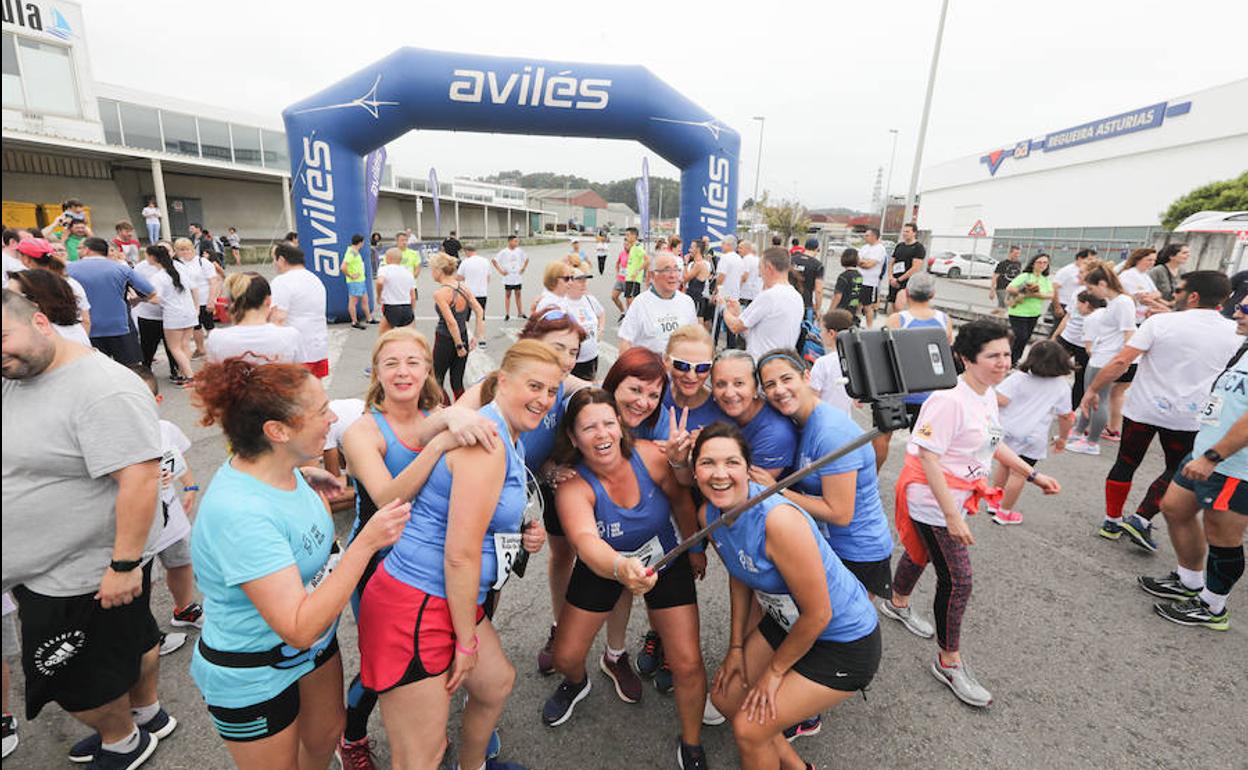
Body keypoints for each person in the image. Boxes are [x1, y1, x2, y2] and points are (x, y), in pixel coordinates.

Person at [187, 357, 409, 770]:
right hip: (253, 668)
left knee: (326, 734)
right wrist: (366, 544)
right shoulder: (240, 514)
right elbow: (299, 626)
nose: (332, 419)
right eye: (321, 410)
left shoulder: (280, 467)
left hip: (313, 649)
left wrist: (304, 476)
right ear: (277, 431)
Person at [358, 341, 559, 770]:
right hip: (416, 601)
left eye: (552, 391)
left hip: (443, 596)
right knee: (420, 756)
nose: (544, 399)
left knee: (495, 683)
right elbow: (460, 555)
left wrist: (521, 529)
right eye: (534, 386)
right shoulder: (485, 442)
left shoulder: (507, 431)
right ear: (501, 381)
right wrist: (465, 641)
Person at [3, 289, 176, 770]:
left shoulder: (102, 387)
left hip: (81, 572)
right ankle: (147, 715)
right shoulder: (19, 374)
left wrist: (123, 565)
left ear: (40, 322)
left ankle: (122, 740)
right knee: (133, 640)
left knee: (75, 679)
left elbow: (140, 478)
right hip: (55, 569)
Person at [339, 329, 499, 768]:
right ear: (377, 372)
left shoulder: (441, 412)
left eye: (413, 362)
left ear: (429, 369)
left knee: (443, 648)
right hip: (377, 561)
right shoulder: (363, 428)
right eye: (391, 363)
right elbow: (390, 495)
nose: (403, 371)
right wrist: (440, 443)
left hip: (431, 559)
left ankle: (434, 723)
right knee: (385, 666)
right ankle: (351, 735)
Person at [881, 320, 1060, 707]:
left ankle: (896, 602)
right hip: (933, 499)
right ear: (966, 358)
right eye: (992, 356)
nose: (1003, 363)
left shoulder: (987, 395)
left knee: (923, 553)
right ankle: (949, 662)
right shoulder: (949, 400)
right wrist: (952, 516)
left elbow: (993, 445)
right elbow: (927, 457)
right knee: (958, 580)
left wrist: (1032, 474)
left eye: (1007, 355)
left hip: (956, 495)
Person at [695, 423, 881, 770]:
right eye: (707, 463)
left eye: (731, 463)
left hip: (843, 641)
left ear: (748, 468)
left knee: (750, 728)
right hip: (788, 621)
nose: (719, 474)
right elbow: (740, 577)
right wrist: (736, 647)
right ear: (694, 471)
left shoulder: (778, 520)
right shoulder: (708, 515)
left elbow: (819, 614)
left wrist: (773, 673)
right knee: (725, 697)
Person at [543, 390, 709, 769]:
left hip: (664, 561)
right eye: (588, 427)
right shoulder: (572, 485)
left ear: (619, 425)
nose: (601, 434)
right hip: (606, 565)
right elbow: (585, 540)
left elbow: (682, 502)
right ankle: (577, 682)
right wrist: (620, 568)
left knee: (687, 662)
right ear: (572, 437)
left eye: (607, 422)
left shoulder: (650, 456)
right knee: (565, 657)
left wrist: (695, 550)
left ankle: (692, 744)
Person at [1077, 271, 1239, 550]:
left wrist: (1092, 390)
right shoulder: (1235, 333)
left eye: (1178, 291)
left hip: (1143, 409)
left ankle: (1111, 520)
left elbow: (1120, 362)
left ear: (1194, 296)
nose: (1173, 295)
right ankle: (1141, 518)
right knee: (1176, 469)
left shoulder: (1160, 323)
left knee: (1126, 462)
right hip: (1192, 416)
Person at [1140, 303, 1248, 630]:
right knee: (1174, 508)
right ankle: (1189, 581)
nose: (1238, 314)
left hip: (1233, 466)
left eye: (1245, 309)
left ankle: (1213, 606)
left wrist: (1213, 457)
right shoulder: (1244, 349)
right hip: (1205, 451)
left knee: (1222, 534)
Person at [756, 350, 895, 600]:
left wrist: (775, 490)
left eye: (786, 379)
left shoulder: (830, 432)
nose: (779, 389)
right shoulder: (798, 421)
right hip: (828, 544)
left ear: (806, 377)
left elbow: (840, 513)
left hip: (857, 552)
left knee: (839, 631)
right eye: (770, 384)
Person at [132, 367, 206, 638]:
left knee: (180, 563)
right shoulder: (116, 440)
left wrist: (190, 485)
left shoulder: (164, 429)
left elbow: (176, 459)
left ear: (157, 401)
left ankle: (184, 608)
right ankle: (145, 633)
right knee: (139, 580)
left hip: (171, 517)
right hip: (137, 525)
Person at [988, 341, 1076, 525]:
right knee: (1019, 473)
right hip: (1031, 436)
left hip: (1007, 429)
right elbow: (1066, 416)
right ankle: (1004, 512)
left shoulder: (1019, 378)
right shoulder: (1061, 386)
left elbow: (1001, 399)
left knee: (1005, 464)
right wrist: (1063, 438)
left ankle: (994, 501)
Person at [871, 273, 953, 470]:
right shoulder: (944, 320)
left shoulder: (897, 319)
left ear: (906, 292)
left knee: (882, 436)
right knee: (926, 445)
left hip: (897, 389)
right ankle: (922, 481)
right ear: (932, 294)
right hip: (931, 394)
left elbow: (882, 352)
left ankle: (872, 477)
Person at [1068, 263, 1137, 455]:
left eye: (1091, 288)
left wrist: (1123, 362)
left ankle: (1091, 442)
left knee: (1099, 399)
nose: (1090, 293)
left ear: (1102, 283)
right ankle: (1078, 432)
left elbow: (1128, 334)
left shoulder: (1123, 302)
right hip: (1100, 355)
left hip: (1108, 358)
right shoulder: (1114, 302)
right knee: (1089, 396)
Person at [709, 349, 799, 478]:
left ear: (756, 387)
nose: (729, 393)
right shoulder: (716, 407)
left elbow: (742, 489)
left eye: (739, 383)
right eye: (720, 384)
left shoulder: (776, 433)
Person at [68, 236, 155, 365]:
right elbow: (150, 291)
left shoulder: (68, 269)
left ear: (87, 250)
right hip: (120, 326)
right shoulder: (121, 269)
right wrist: (136, 300)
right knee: (130, 368)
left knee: (96, 370)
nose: (78, 250)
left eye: (80, 248)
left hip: (87, 328)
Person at [723, 247, 804, 362]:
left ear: (769, 268)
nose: (759, 274)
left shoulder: (770, 296)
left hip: (762, 363)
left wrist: (724, 308)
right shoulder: (796, 296)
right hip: (782, 363)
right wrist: (738, 313)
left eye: (760, 268)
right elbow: (760, 331)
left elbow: (735, 326)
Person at [207, 272, 303, 364]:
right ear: (268, 301)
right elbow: (301, 375)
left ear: (232, 302)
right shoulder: (290, 336)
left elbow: (213, 376)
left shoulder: (216, 339)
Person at [140, 244, 199, 385]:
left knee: (175, 347)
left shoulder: (158, 277)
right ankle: (184, 373)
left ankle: (190, 377)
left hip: (173, 315)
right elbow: (194, 288)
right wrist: (196, 307)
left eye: (147, 255)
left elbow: (156, 299)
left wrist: (140, 298)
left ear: (153, 258)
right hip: (189, 312)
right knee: (185, 345)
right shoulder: (179, 270)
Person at [269, 242, 330, 379]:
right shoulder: (315, 279)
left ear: (282, 260)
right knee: (314, 392)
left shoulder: (282, 281)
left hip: (295, 352)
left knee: (293, 396)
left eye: (274, 259)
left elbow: (278, 318)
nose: (274, 263)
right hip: (318, 347)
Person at [619, 252, 698, 355]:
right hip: (650, 368)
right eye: (667, 270)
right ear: (652, 274)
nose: (673, 275)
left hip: (680, 368)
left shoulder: (687, 302)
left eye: (676, 269)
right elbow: (625, 343)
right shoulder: (640, 303)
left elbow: (694, 337)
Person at [432, 253, 485, 401]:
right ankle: (462, 409)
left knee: (436, 379)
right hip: (463, 336)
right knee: (457, 381)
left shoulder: (440, 293)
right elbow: (479, 311)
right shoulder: (463, 287)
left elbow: (451, 322)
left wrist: (458, 345)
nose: (431, 273)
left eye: (432, 269)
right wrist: (476, 336)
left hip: (445, 339)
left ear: (438, 270)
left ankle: (445, 410)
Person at [14, 236, 91, 334]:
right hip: (76, 338)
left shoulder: (23, 286)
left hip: (46, 341)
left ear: (26, 259)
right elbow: (86, 320)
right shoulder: (71, 282)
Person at [6, 268, 90, 346]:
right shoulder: (71, 329)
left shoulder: (43, 338)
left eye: (9, 296)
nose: (4, 301)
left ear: (34, 302)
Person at [174, 237, 220, 359]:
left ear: (192, 249)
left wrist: (212, 300)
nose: (184, 252)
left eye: (187, 249)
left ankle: (217, 349)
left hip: (204, 299)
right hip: (188, 301)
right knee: (196, 326)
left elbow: (214, 282)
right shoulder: (177, 263)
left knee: (209, 325)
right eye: (181, 250)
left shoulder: (202, 262)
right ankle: (200, 349)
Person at [1004, 252, 1053, 363]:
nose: (1042, 265)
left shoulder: (1045, 279)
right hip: (1018, 311)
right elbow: (1009, 288)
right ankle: (1010, 358)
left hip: (1034, 313)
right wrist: (1025, 291)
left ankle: (1015, 359)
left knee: (1025, 338)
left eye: (1045, 263)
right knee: (1021, 336)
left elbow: (1050, 295)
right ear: (1033, 263)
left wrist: (1036, 294)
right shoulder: (1025, 276)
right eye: (1039, 262)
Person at [809, 309, 855, 415]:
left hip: (824, 419)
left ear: (831, 333)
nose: (820, 334)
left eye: (821, 330)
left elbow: (812, 399)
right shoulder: (856, 360)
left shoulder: (823, 363)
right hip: (845, 420)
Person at [564, 269, 605, 380]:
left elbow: (601, 313)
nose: (584, 284)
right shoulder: (562, 303)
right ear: (569, 282)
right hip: (573, 362)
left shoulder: (589, 300)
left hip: (592, 357)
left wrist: (601, 329)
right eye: (580, 281)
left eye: (585, 281)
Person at [374, 247, 417, 333]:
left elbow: (380, 282)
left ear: (387, 258)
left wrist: (379, 296)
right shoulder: (408, 272)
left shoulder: (384, 269)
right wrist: (412, 310)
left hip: (391, 306)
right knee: (409, 337)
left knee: (384, 337)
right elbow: (412, 295)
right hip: (406, 306)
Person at [884, 222, 925, 313]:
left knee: (900, 306)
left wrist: (899, 280)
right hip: (894, 280)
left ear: (914, 233)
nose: (904, 233)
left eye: (907, 231)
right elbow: (891, 262)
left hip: (906, 282)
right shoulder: (899, 246)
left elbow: (915, 268)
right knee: (892, 304)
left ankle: (901, 326)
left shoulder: (918, 248)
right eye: (904, 231)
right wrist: (891, 277)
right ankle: (892, 325)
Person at [1116, 247, 1165, 323]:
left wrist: (1151, 296)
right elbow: (1143, 299)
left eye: (1154, 260)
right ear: (1138, 259)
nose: (1152, 263)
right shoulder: (1129, 275)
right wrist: (1164, 308)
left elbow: (1158, 294)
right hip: (1134, 318)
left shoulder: (1145, 275)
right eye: (1149, 260)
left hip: (1144, 317)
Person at [713, 236, 745, 348]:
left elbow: (721, 276)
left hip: (724, 294)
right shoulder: (739, 259)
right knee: (731, 323)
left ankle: (713, 344)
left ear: (728, 245)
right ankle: (731, 346)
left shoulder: (725, 258)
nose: (721, 246)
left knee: (717, 321)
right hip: (734, 295)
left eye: (723, 244)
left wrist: (716, 292)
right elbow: (742, 278)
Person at [1050, 247, 1094, 321]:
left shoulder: (1087, 271)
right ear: (1080, 258)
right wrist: (1057, 307)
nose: (1091, 262)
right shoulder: (1067, 270)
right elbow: (1054, 287)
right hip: (1063, 304)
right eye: (1089, 259)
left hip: (1075, 305)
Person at [343, 234, 375, 329]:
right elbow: (343, 267)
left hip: (361, 280)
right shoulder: (351, 253)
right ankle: (354, 321)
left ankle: (369, 318)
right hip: (355, 282)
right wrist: (351, 276)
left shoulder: (355, 252)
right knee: (353, 301)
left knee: (365, 299)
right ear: (360, 242)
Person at [856, 228, 886, 327]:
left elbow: (870, 265)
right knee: (857, 304)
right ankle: (856, 324)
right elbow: (857, 261)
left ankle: (869, 328)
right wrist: (864, 262)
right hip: (860, 280)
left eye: (867, 235)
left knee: (867, 307)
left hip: (870, 283)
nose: (865, 237)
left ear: (874, 236)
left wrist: (864, 262)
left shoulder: (880, 249)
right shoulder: (864, 247)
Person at [494, 235, 528, 321]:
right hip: (508, 277)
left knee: (518, 294)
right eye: (515, 241)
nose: (517, 243)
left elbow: (526, 259)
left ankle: (520, 312)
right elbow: (494, 261)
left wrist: (523, 268)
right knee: (508, 294)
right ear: (510, 241)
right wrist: (501, 271)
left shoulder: (519, 251)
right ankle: (507, 313)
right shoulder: (504, 252)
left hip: (517, 276)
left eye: (517, 241)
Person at [791, 237, 825, 321]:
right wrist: (818, 309)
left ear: (805, 247)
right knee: (805, 330)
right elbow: (818, 290)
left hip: (789, 301)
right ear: (817, 249)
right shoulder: (817, 265)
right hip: (806, 304)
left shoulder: (792, 260)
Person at [458, 244, 492, 320]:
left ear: (467, 251)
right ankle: (480, 331)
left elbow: (459, 277)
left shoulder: (465, 262)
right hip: (482, 292)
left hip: (468, 293)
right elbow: (488, 277)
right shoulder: (485, 261)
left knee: (465, 317)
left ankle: (465, 331)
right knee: (480, 316)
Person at [684, 240, 713, 331]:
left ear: (698, 249)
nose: (689, 250)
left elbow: (685, 278)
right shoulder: (695, 263)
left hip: (696, 299)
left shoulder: (700, 264)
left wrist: (685, 263)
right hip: (692, 298)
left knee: (697, 327)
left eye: (692, 247)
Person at [830, 248, 862, 322]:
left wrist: (830, 311)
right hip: (852, 311)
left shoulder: (843, 276)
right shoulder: (859, 276)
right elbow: (861, 295)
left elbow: (838, 296)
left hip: (841, 312)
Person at [989, 246, 1023, 315]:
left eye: (1019, 253)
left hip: (1012, 289)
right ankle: (999, 323)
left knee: (1000, 307)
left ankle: (988, 317)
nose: (1017, 255)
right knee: (1005, 308)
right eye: (1015, 253)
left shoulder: (1018, 264)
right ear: (1010, 253)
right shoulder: (1002, 264)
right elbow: (995, 277)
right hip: (1002, 288)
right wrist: (992, 290)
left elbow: (1018, 277)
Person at [622, 227, 648, 309]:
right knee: (628, 298)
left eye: (628, 235)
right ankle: (630, 318)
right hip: (629, 277)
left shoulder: (638, 247)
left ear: (634, 236)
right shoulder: (632, 247)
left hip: (634, 279)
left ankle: (634, 319)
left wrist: (637, 271)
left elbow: (647, 260)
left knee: (632, 300)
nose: (626, 237)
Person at [739, 241, 762, 311]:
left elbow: (744, 277)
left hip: (745, 293)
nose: (738, 250)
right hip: (756, 292)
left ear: (747, 249)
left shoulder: (746, 259)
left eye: (741, 248)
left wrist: (737, 288)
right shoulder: (758, 259)